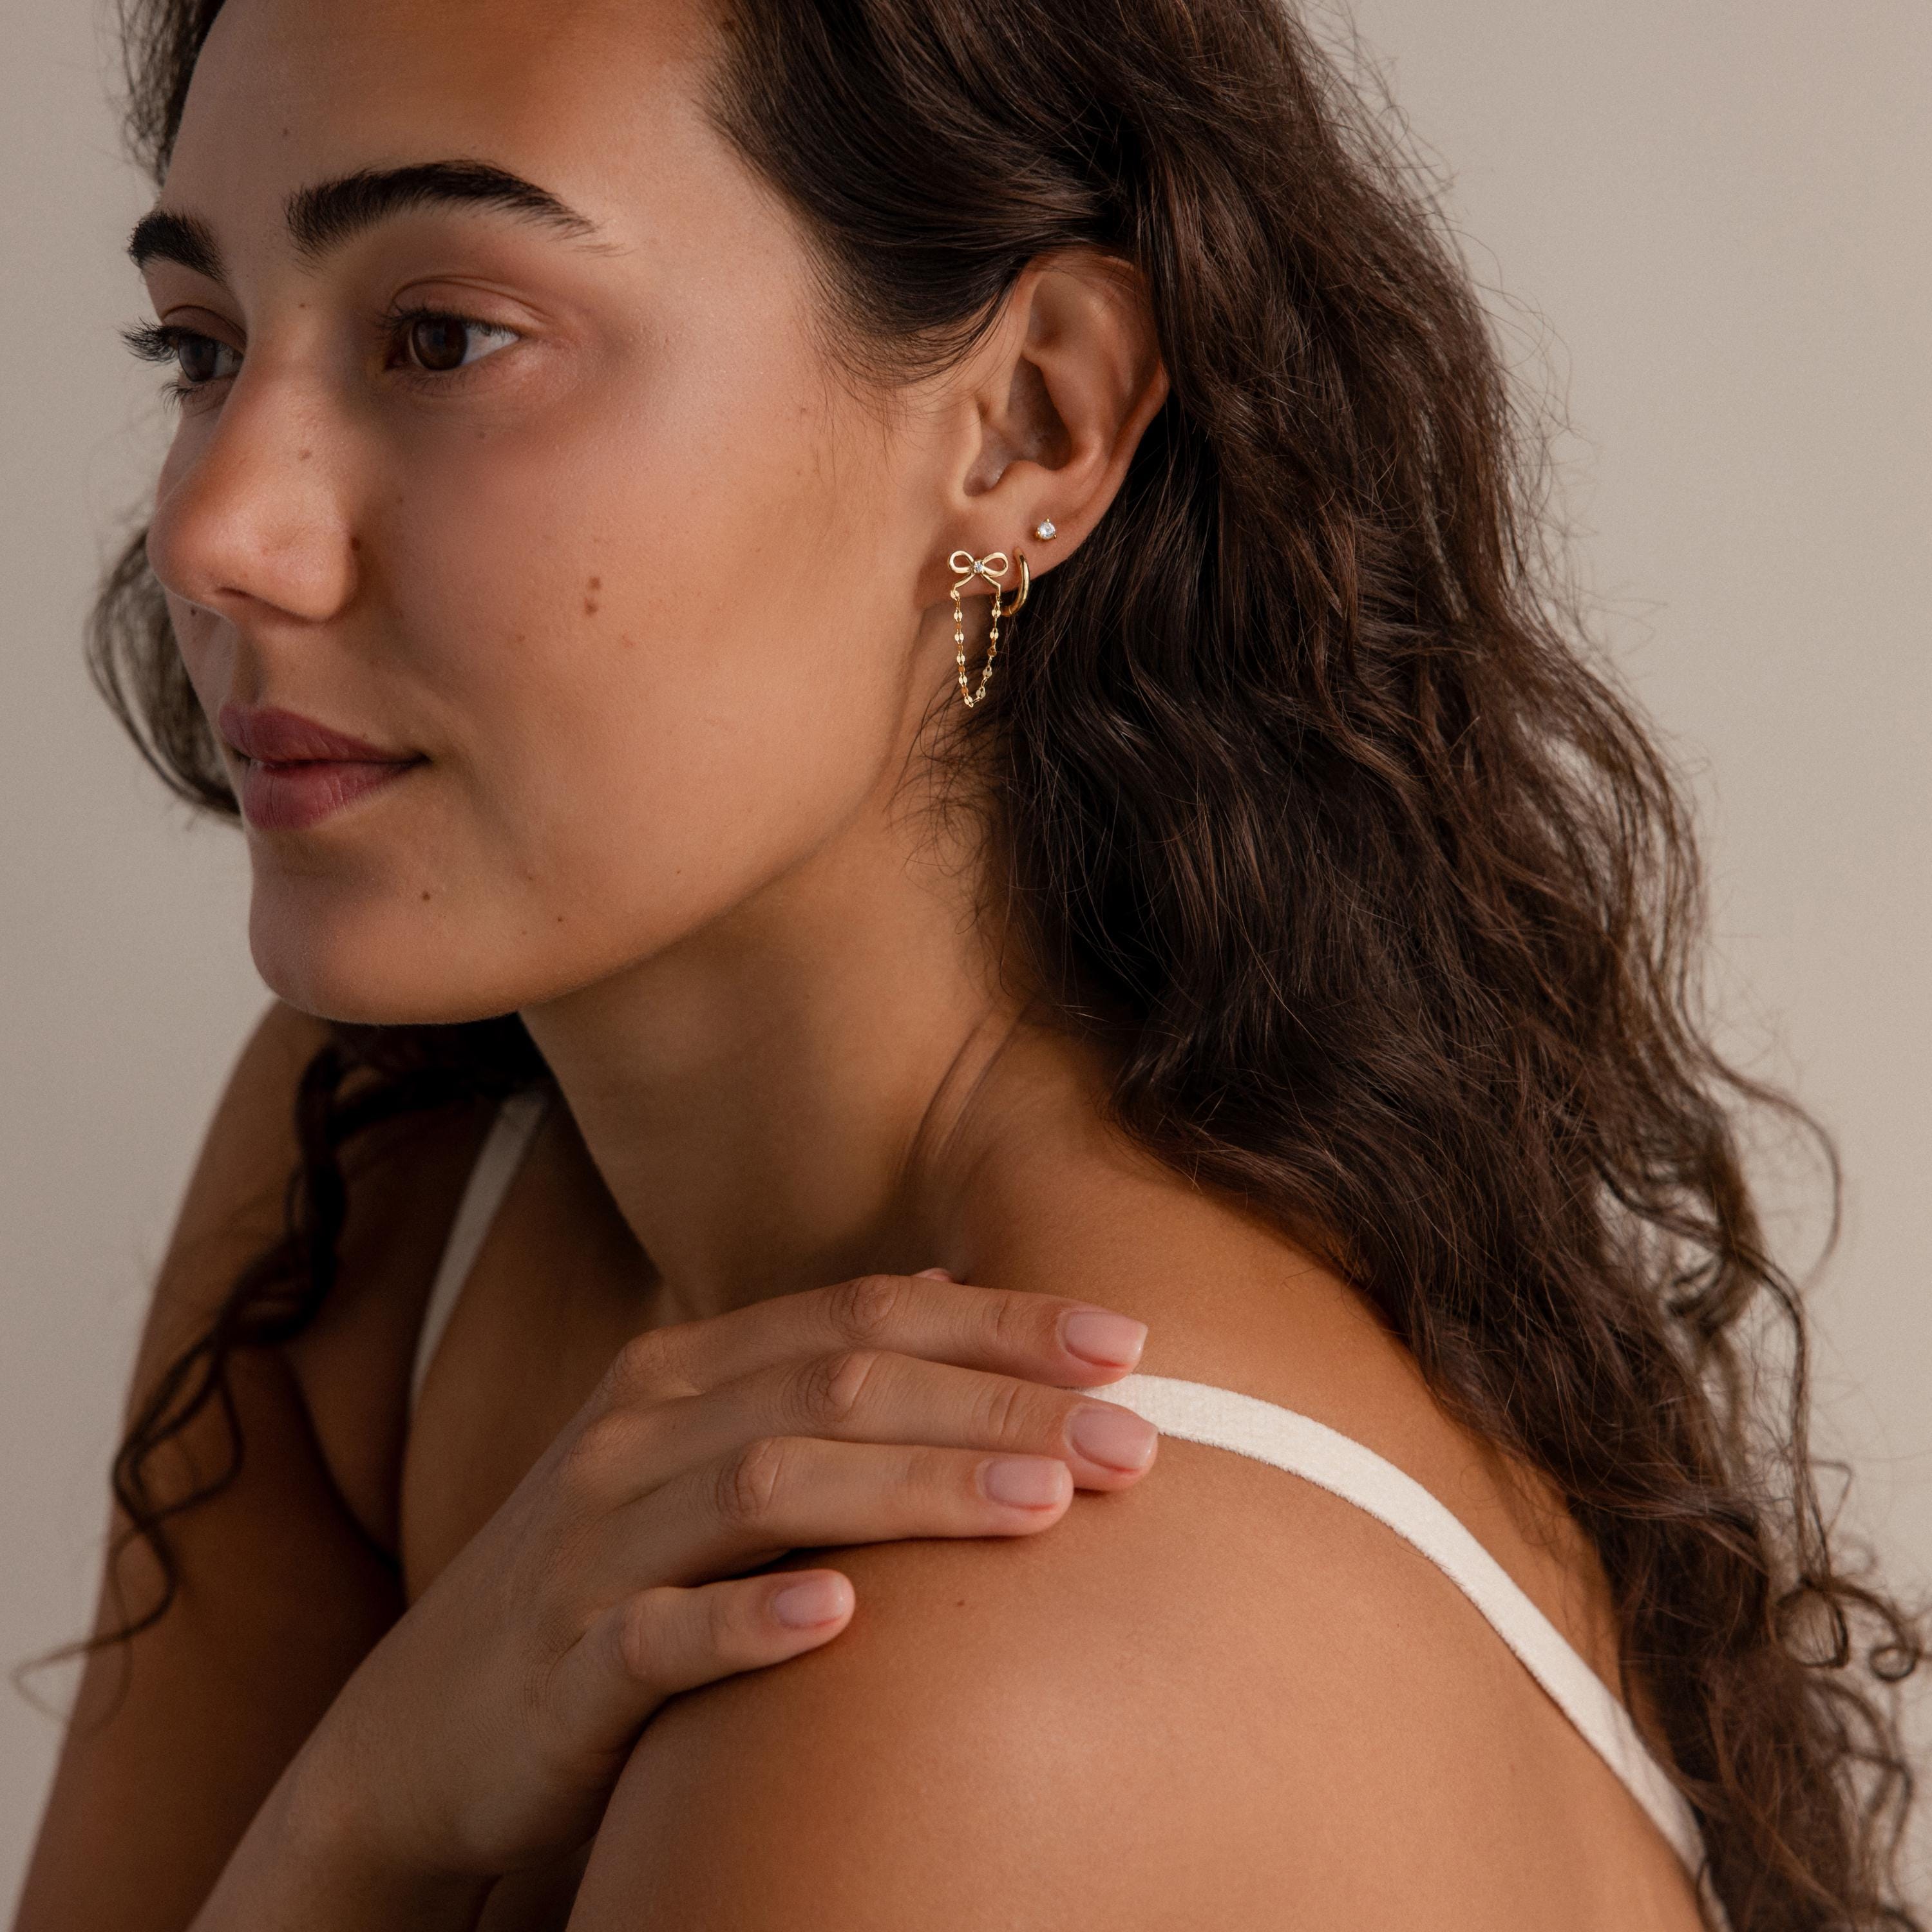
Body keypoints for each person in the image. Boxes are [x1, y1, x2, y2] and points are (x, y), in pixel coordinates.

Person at [13, 0, 1922, 1926]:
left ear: (1031, 422)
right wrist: (372, 1796)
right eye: (204, 345)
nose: (216, 530)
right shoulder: (384, 1163)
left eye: (448, 338)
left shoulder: (980, 1619)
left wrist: (341, 1848)